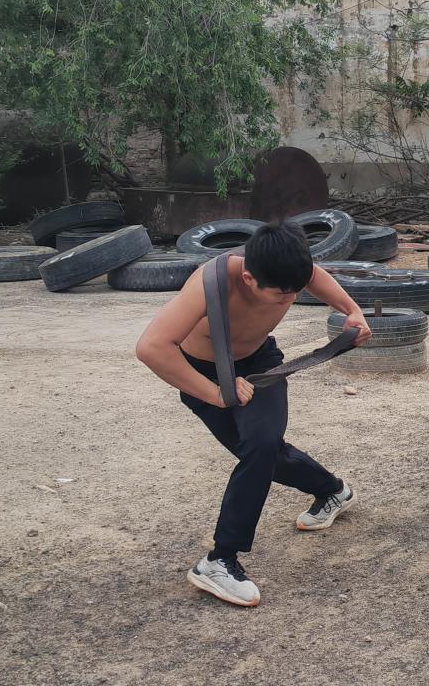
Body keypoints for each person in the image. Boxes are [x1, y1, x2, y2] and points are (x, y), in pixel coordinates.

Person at [136, 221, 372, 606]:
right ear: (249, 279)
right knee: (260, 454)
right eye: (281, 295)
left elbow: (313, 276)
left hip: (259, 364)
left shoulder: (285, 270)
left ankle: (219, 560)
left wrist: (352, 311)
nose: (288, 300)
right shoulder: (209, 284)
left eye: (294, 292)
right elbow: (151, 347)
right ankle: (332, 491)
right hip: (202, 375)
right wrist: (216, 394)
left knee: (260, 446)